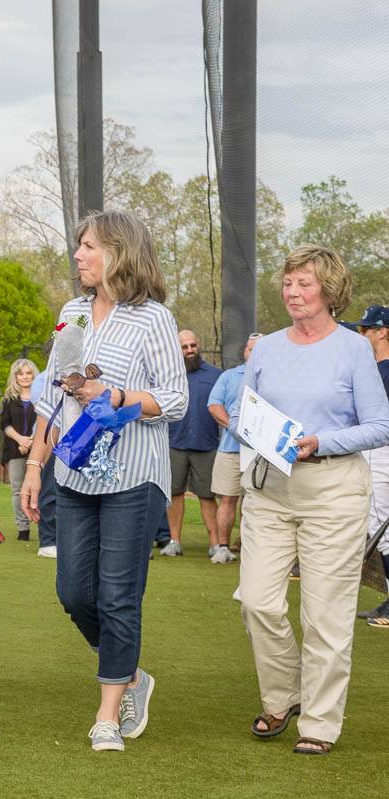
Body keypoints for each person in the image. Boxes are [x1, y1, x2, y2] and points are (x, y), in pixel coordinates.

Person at [20, 209, 188, 752]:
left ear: (119, 252)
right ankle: (133, 674)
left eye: (89, 246)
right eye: (79, 246)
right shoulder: (72, 313)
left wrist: (120, 398)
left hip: (134, 478)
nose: (79, 255)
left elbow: (177, 400)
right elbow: (51, 393)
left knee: (118, 597)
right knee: (72, 591)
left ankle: (108, 714)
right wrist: (33, 466)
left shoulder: (154, 319)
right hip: (71, 471)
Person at [232, 246, 389, 755]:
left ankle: (318, 724)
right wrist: (253, 432)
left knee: (325, 616)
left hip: (334, 490)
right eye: (288, 282)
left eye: (305, 283)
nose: (293, 292)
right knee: (257, 602)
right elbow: (244, 415)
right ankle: (284, 696)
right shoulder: (269, 348)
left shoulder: (354, 350)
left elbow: (380, 426)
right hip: (270, 489)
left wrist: (321, 441)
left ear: (329, 290)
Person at [161, 330, 222, 557]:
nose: (189, 350)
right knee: (174, 495)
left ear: (199, 345)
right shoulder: (168, 376)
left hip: (206, 445)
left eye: (192, 345)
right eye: (184, 346)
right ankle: (174, 542)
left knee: (207, 496)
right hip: (174, 442)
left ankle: (215, 544)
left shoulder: (216, 375)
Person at [206, 333, 262, 563]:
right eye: (250, 350)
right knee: (227, 500)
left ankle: (250, 547)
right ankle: (222, 548)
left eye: (258, 350)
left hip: (260, 453)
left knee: (255, 501)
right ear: (245, 352)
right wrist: (236, 427)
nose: (253, 354)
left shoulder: (275, 376)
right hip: (230, 449)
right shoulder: (229, 376)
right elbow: (213, 405)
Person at [353, 304, 389, 626]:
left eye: (366, 329)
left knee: (382, 525)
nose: (361, 334)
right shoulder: (377, 368)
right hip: (375, 450)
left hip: (382, 452)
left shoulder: (386, 370)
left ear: (382, 331)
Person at [1, 358, 39, 541]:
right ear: (15, 377)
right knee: (17, 489)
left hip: (39, 449)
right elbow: (5, 425)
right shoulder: (9, 399)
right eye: (20, 373)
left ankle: (46, 526)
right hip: (14, 450)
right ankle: (23, 529)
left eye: (28, 372)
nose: (24, 376)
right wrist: (21, 440)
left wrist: (31, 441)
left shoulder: (42, 396)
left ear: (34, 374)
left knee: (42, 489)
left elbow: (46, 421)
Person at [31, 339, 59, 559]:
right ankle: (48, 540)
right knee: (48, 491)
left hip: (76, 442)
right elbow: (46, 412)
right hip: (51, 442)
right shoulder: (42, 380)